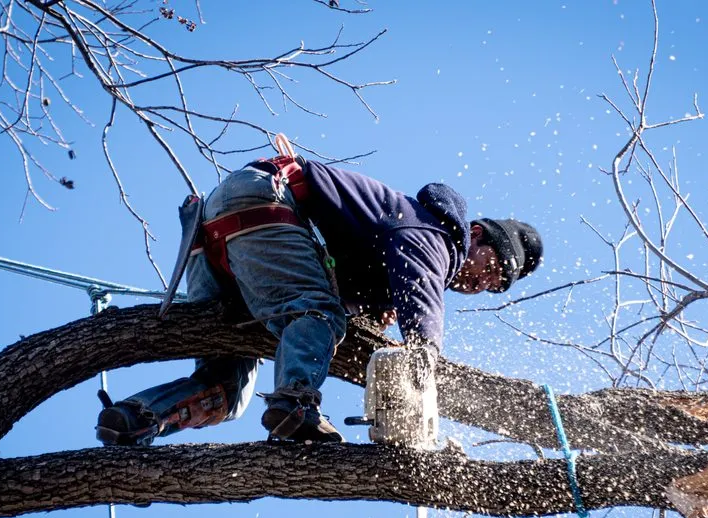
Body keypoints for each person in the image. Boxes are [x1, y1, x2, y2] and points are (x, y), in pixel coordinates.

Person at [95, 144, 543, 446]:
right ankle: (295, 403)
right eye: (492, 268)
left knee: (225, 391)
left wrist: (368, 309)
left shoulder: (394, 254)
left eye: (494, 286)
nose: (482, 283)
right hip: (264, 204)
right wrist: (425, 358)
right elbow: (420, 287)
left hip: (216, 238)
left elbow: (361, 275)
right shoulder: (436, 232)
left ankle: (136, 419)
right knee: (321, 316)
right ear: (478, 235)